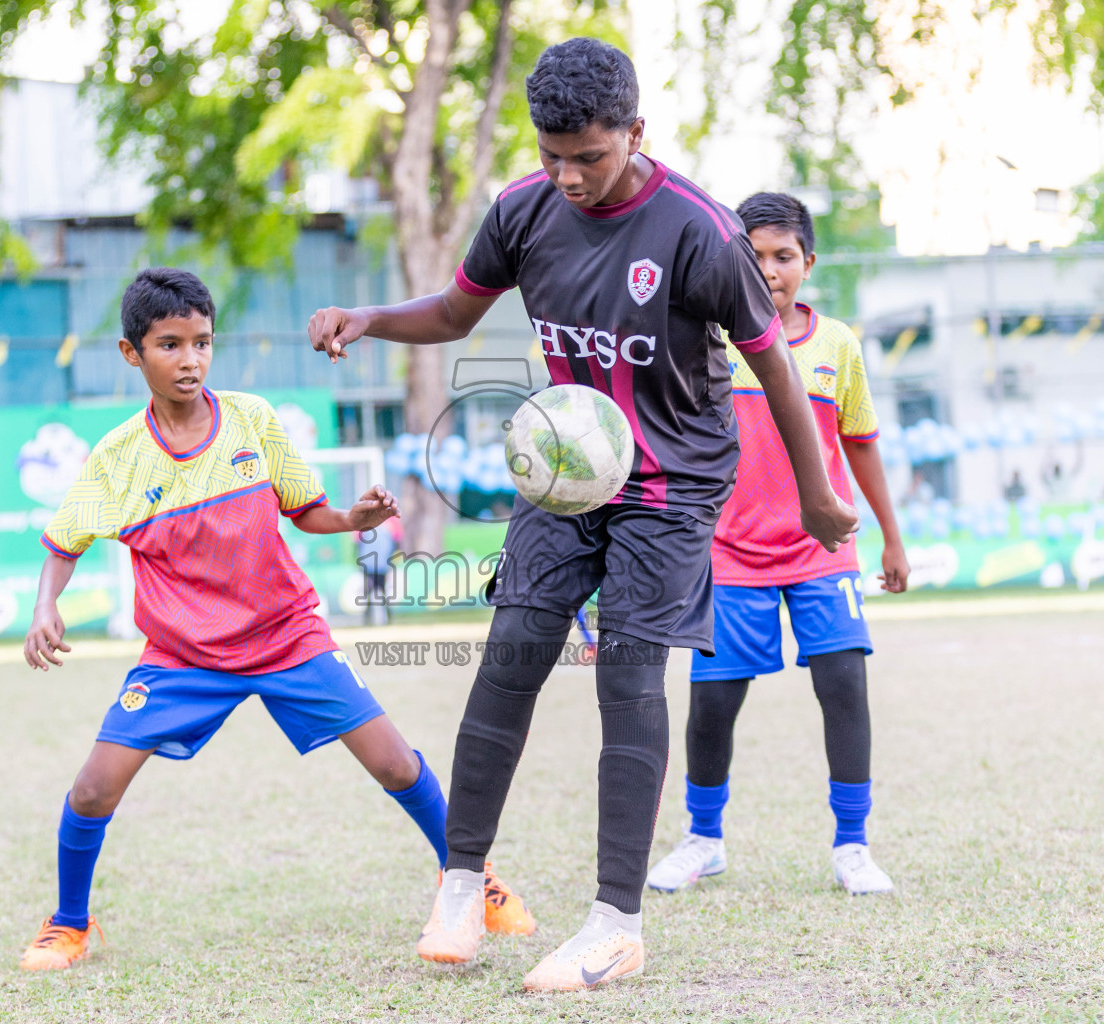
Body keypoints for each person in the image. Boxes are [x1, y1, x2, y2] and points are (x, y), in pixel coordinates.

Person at [307, 39, 857, 992]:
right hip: (569, 473)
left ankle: (615, 922)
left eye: (588, 157)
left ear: (635, 133)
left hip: (675, 483)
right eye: (551, 154)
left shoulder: (698, 230)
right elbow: (451, 313)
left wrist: (817, 492)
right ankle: (462, 876)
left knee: (628, 681)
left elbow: (771, 359)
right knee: (511, 655)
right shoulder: (524, 210)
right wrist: (368, 316)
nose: (567, 176)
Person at [16, 268, 532, 971]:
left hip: (286, 635)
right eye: (170, 344)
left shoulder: (253, 421)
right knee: (93, 787)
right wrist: (47, 604)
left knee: (391, 760)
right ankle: (70, 922)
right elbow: (64, 541)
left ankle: (472, 878)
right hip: (183, 654)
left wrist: (353, 518)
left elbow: (308, 511)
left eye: (201, 342)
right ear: (132, 353)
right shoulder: (118, 458)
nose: (191, 359)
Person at [646, 192, 910, 898]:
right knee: (714, 702)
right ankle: (704, 839)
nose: (768, 270)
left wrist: (891, 537)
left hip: (821, 550)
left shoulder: (839, 345)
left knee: (844, 687)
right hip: (729, 553)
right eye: (753, 255)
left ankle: (852, 846)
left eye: (783, 256)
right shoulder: (706, 339)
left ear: (808, 262)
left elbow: (860, 446)